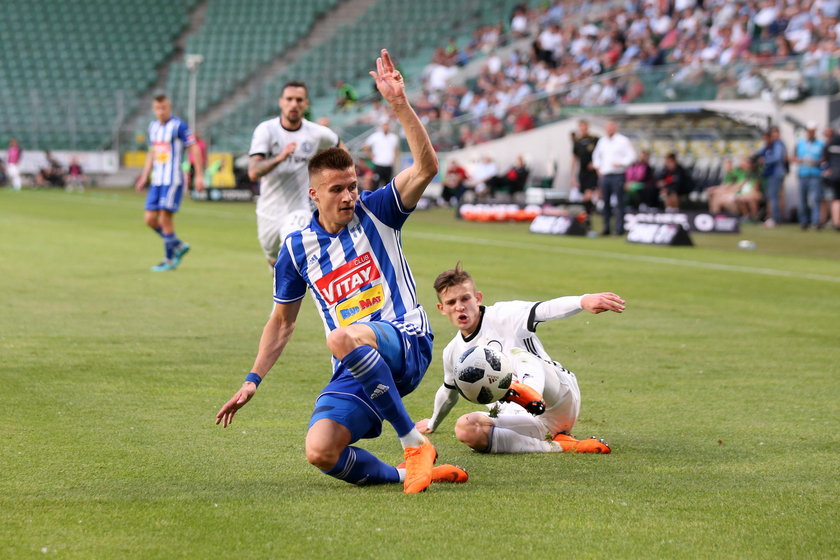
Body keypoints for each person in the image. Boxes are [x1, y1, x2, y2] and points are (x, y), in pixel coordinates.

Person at [216, 49, 465, 494]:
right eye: (338, 189)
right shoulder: (297, 249)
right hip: (359, 365)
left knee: (340, 335)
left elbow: (427, 167)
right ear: (314, 194)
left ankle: (414, 444)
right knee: (321, 450)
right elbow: (281, 322)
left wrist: (399, 105)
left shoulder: (379, 210)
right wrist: (252, 381)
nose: (350, 195)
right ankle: (413, 471)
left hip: (405, 338)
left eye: (352, 185)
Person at [416, 263, 624, 454]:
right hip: (521, 417)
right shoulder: (453, 352)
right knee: (466, 428)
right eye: (451, 302)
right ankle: (559, 445)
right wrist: (433, 422)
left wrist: (583, 300)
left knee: (517, 354)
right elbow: (449, 391)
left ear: (478, 298)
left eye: (465, 298)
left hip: (557, 397)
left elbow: (545, 309)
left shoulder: (505, 314)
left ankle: (529, 393)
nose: (460, 306)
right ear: (441, 309)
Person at [248, 81, 344, 267]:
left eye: (299, 100)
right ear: (281, 102)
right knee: (274, 258)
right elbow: (253, 172)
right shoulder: (266, 130)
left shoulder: (316, 133)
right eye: (289, 99)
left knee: (292, 253)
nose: (294, 104)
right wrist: (280, 158)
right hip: (268, 211)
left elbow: (339, 146)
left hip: (299, 209)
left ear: (306, 104)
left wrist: (343, 178)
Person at [135, 94, 204, 271]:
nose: (161, 111)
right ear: (153, 109)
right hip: (157, 180)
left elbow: (193, 147)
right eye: (158, 108)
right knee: (150, 219)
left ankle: (169, 259)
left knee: (165, 218)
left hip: (173, 179)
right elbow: (152, 153)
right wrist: (144, 176)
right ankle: (178, 246)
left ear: (169, 107)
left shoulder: (178, 126)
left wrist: (198, 175)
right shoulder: (153, 127)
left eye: (164, 108)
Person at [592, 120, 635, 235]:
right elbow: (596, 156)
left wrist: (621, 163)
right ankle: (606, 228)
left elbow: (631, 156)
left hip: (618, 175)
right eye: (607, 127)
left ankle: (619, 228)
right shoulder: (602, 141)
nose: (609, 130)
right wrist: (598, 168)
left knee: (620, 203)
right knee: (605, 203)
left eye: (611, 127)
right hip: (605, 176)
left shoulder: (623, 141)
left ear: (615, 128)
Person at [794, 122, 824, 230]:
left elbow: (824, 158)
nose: (810, 133)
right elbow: (793, 157)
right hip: (803, 174)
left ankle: (815, 222)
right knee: (802, 200)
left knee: (816, 199)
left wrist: (816, 162)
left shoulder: (821, 144)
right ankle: (804, 222)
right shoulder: (800, 143)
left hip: (815, 174)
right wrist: (801, 161)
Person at [755, 127, 787, 227]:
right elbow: (759, 152)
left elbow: (777, 157)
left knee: (774, 197)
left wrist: (765, 160)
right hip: (770, 174)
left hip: (776, 174)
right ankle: (771, 218)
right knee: (771, 197)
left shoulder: (777, 144)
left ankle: (775, 219)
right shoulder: (769, 145)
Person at [570, 120, 599, 219]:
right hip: (582, 173)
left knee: (588, 195)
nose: (583, 129)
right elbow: (574, 159)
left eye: (585, 127)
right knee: (584, 197)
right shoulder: (577, 142)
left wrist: (596, 164)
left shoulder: (595, 140)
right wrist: (572, 176)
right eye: (581, 127)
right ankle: (588, 215)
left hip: (592, 172)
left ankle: (588, 216)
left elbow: (601, 154)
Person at [363, 120, 400, 189]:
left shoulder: (393, 137)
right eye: (384, 125)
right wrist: (371, 155)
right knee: (375, 184)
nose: (386, 127)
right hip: (378, 165)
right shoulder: (376, 136)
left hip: (388, 165)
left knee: (388, 186)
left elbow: (396, 150)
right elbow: (366, 146)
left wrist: (394, 158)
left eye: (387, 125)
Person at [821, 125, 840, 230]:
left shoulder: (830, 143)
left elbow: (824, 160)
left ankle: (836, 222)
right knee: (835, 199)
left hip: (834, 175)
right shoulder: (831, 143)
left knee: (836, 199)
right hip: (836, 175)